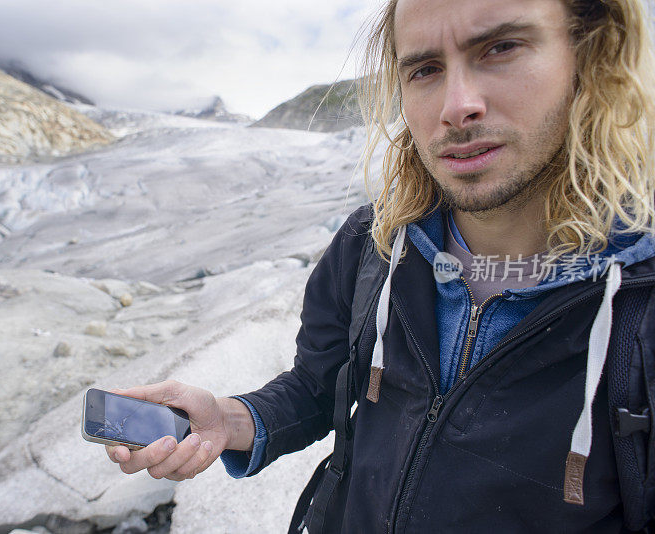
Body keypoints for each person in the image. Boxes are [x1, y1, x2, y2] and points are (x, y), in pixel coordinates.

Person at [106, 0, 655, 531]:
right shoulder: (373, 244)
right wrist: (229, 420)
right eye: (424, 69)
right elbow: (319, 386)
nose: (456, 105)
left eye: (501, 48)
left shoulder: (641, 294)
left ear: (589, 55)